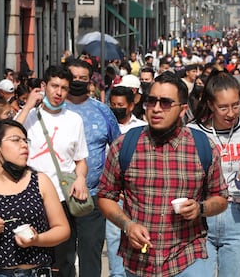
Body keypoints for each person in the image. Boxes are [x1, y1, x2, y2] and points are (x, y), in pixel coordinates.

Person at [97, 71, 228, 277]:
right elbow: (105, 196)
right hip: (139, 262)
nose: (156, 109)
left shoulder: (202, 147)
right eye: (151, 101)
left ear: (183, 109)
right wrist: (127, 225)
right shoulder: (124, 145)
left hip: (188, 258)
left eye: (166, 103)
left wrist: (200, 208)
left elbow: (220, 197)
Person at [191, 70, 240, 277]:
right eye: (223, 107)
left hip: (238, 215)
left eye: (236, 105)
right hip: (201, 217)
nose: (231, 113)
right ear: (210, 105)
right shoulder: (193, 132)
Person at [15, 65, 90, 277]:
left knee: (64, 260)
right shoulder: (28, 116)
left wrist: (81, 178)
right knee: (28, 259)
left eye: (64, 88)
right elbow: (5, 139)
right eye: (54, 86)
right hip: (30, 198)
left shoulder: (74, 120)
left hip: (62, 199)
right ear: (43, 86)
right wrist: (29, 105)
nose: (58, 92)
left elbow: (81, 160)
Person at [65, 59, 121, 277]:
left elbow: (117, 147)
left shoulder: (103, 111)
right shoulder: (50, 110)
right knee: (62, 258)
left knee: (90, 255)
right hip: (57, 197)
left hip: (93, 197)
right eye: (73, 78)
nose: (77, 82)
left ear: (90, 82)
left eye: (83, 79)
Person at [0, 119, 70, 276]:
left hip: (36, 271)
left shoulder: (39, 180)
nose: (24, 145)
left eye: (25, 140)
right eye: (16, 140)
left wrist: (37, 239)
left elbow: (62, 229)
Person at [106, 86, 147, 277]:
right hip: (114, 194)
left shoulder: (141, 128)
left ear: (131, 105)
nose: (116, 108)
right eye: (113, 105)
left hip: (136, 194)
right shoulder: (104, 124)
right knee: (114, 237)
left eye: (120, 105)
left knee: (136, 235)